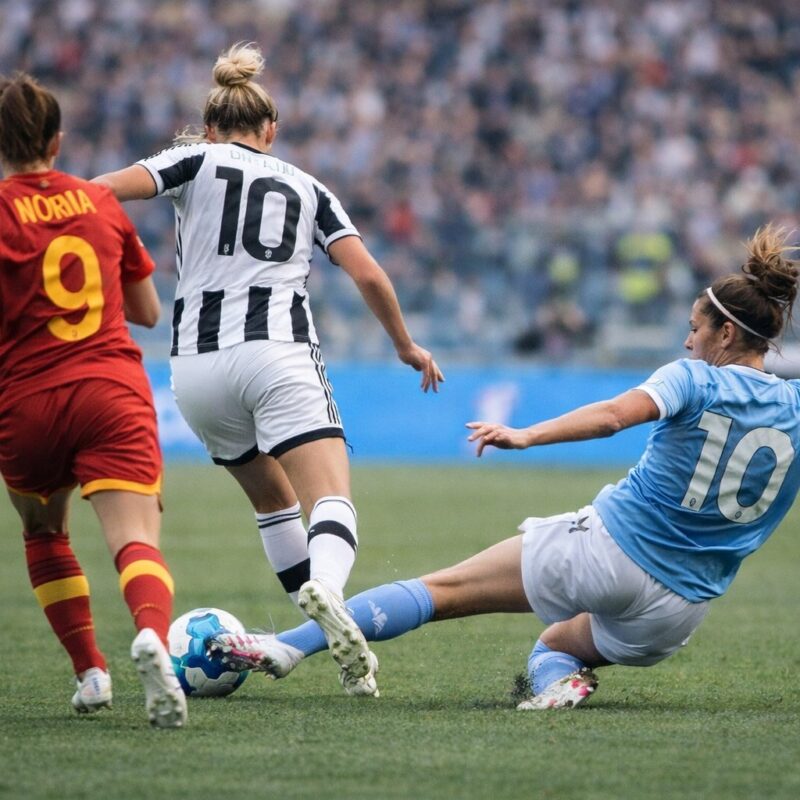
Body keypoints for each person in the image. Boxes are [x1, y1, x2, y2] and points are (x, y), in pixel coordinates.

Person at [206, 225, 800, 705]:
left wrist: (526, 434)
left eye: (695, 329)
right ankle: (558, 684)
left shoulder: (695, 378)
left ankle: (286, 646)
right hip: (679, 611)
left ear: (726, 333)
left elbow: (614, 416)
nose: (689, 342)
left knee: (441, 590)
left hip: (612, 550)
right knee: (555, 645)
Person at [92, 43, 443, 691]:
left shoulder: (190, 159)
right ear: (271, 130)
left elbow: (99, 194)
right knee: (329, 498)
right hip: (276, 352)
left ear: (210, 126)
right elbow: (368, 273)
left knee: (273, 502)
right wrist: (404, 344)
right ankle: (327, 590)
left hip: (196, 369)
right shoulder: (309, 187)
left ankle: (326, 633)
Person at [0, 73, 186, 728]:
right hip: (110, 391)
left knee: (44, 531)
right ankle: (152, 638)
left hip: (26, 401)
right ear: (57, 141)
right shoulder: (99, 201)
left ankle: (91, 674)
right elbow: (148, 310)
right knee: (134, 540)